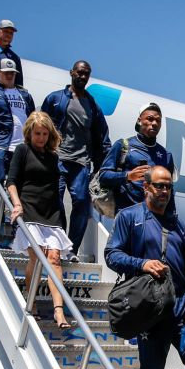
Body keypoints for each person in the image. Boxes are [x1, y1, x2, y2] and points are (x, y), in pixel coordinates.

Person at [103, 166, 185, 369]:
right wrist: (142, 264)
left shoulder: (178, 225)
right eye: (159, 186)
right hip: (151, 310)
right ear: (146, 187)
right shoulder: (129, 217)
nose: (164, 191)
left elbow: (184, 271)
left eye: (168, 187)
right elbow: (112, 255)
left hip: (181, 306)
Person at [6, 112, 71, 331]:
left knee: (54, 258)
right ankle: (31, 298)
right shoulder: (22, 150)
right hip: (29, 208)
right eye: (37, 133)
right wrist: (17, 204)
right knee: (38, 254)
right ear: (29, 133)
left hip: (50, 212)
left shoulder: (53, 157)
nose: (41, 138)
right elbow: (12, 181)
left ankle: (58, 309)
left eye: (44, 133)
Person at [42, 61, 112, 260]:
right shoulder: (55, 98)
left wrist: (102, 168)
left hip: (81, 162)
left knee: (81, 203)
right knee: (55, 199)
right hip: (58, 158)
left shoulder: (92, 106)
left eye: (86, 74)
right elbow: (40, 124)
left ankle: (72, 249)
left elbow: (103, 138)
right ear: (72, 73)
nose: (83, 76)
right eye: (80, 72)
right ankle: (62, 242)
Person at [97, 102, 176, 213]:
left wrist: (172, 219)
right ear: (139, 120)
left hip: (154, 218)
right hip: (126, 214)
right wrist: (128, 176)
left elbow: (170, 192)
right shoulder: (123, 145)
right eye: (150, 119)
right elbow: (104, 176)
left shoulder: (166, 155)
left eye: (158, 120)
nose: (154, 123)